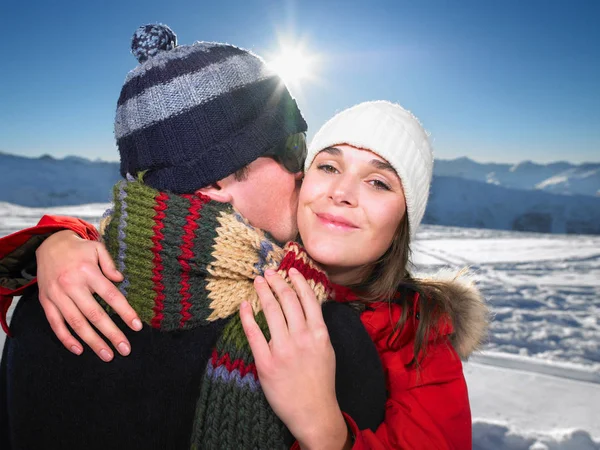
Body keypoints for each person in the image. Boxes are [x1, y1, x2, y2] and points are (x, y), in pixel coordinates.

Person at [0, 24, 387, 449]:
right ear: (216, 184)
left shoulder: (44, 309)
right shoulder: (317, 337)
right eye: (292, 149)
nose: (303, 173)